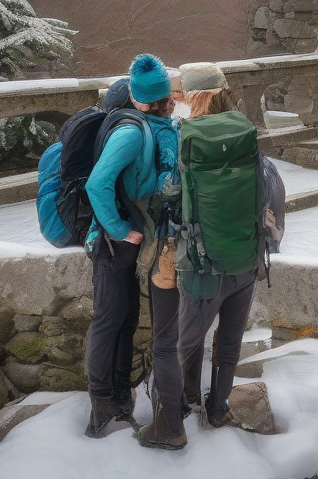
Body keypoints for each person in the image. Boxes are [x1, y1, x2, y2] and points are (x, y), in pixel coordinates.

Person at [84, 53, 185, 446]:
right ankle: (101, 404)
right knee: (109, 319)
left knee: (125, 319)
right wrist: (119, 229)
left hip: (132, 242)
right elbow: (97, 184)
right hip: (113, 243)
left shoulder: (158, 125)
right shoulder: (131, 132)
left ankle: (120, 398)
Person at [175, 62, 278, 428]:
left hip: (202, 265)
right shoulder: (245, 133)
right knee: (230, 340)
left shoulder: (183, 136)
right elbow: (268, 191)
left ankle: (183, 401)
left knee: (186, 341)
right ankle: (218, 406)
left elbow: (172, 200)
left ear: (191, 96)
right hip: (247, 261)